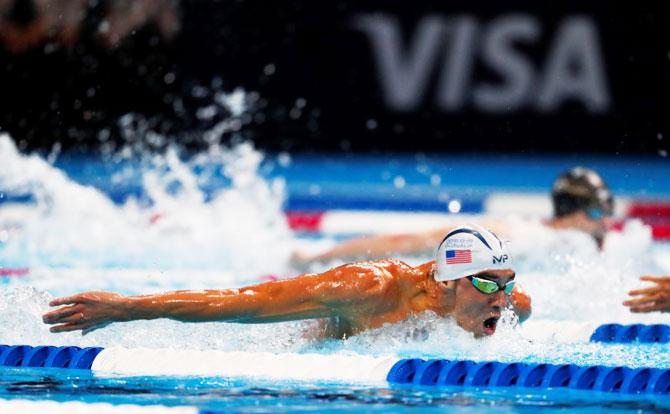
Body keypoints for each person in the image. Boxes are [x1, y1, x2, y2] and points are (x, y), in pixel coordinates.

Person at [43, 225, 531, 339]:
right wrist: (127, 308)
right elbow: (248, 301)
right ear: (445, 283)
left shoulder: (511, 306)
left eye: (507, 283)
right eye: (488, 285)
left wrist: (503, 295)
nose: (504, 300)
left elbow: (514, 302)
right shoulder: (367, 289)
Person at [291, 166, 614, 267]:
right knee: (408, 244)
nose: (606, 223)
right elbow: (404, 242)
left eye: (608, 213)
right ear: (573, 212)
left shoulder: (588, 243)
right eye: (599, 212)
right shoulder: (518, 235)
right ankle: (317, 255)